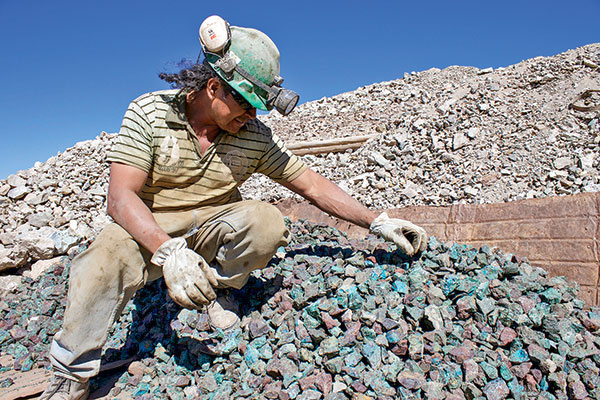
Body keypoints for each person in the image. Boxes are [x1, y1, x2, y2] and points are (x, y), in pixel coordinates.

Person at [40, 16, 428, 400]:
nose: (253, 116)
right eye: (246, 104)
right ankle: (70, 375)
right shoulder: (150, 114)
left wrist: (378, 221)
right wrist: (169, 251)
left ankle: (221, 290)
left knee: (266, 221)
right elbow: (121, 197)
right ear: (214, 87)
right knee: (100, 262)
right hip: (150, 229)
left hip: (212, 226)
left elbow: (310, 184)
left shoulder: (253, 136)